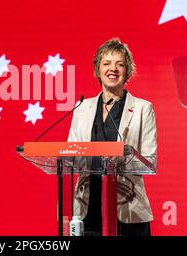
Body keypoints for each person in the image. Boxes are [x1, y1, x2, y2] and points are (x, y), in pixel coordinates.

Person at [67, 37, 157, 236]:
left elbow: (150, 162)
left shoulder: (143, 109)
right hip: (87, 208)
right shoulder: (81, 108)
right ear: (98, 69)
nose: (112, 69)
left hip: (128, 209)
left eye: (120, 64)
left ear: (127, 71)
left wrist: (122, 159)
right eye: (106, 63)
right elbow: (70, 155)